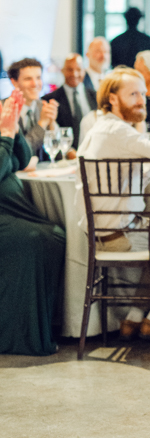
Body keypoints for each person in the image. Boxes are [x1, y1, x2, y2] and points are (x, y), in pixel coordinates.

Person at [76, 68, 150, 341]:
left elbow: (134, 179)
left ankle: (133, 318)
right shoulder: (121, 133)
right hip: (124, 235)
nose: (142, 100)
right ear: (113, 98)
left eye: (143, 93)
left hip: (100, 236)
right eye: (133, 94)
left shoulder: (99, 129)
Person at [0, 90, 66, 356]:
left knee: (52, 235)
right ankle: (21, 336)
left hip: (11, 212)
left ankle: (45, 326)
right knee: (37, 239)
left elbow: (22, 160)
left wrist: (13, 129)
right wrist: (5, 134)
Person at [7, 58, 58, 160]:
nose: (35, 84)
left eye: (38, 78)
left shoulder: (44, 107)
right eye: (28, 79)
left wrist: (52, 124)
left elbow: (57, 152)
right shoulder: (4, 110)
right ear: (14, 82)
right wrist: (42, 123)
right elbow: (19, 154)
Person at [43, 53, 97, 148]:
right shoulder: (49, 99)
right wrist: (68, 151)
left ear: (84, 71)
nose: (74, 74)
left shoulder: (96, 97)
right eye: (70, 69)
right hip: (65, 156)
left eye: (78, 70)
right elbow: (49, 134)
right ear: (62, 71)